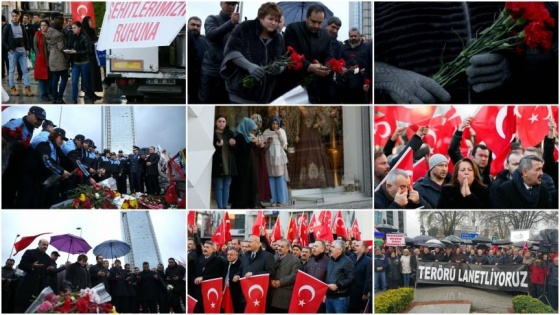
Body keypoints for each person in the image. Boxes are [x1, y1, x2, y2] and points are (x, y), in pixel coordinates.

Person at [374, 2, 558, 104]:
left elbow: (550, 31)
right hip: (413, 108)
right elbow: (362, 57)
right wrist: (387, 78)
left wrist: (516, 63)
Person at [221, 2, 285, 103]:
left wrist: (279, 69)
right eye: (271, 19)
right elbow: (231, 50)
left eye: (277, 21)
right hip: (240, 91)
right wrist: (249, 66)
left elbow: (283, 60)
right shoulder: (244, 28)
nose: (274, 23)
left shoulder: (279, 38)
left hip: (265, 95)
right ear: (261, 17)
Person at [283, 4, 334, 103]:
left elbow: (329, 56)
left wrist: (327, 68)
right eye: (313, 22)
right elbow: (291, 54)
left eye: (320, 23)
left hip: (316, 87)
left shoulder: (325, 35)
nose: (316, 26)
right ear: (307, 17)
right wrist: (309, 66)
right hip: (294, 83)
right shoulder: (293, 29)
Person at [199, 1, 239, 103]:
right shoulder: (212, 19)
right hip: (211, 70)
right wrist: (231, 23)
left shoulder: (237, 25)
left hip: (228, 73)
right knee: (206, 101)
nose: (231, 6)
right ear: (221, 4)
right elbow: (212, 34)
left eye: (233, 4)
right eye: (228, 3)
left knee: (224, 102)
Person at [290, 106, 334, 189]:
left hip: (314, 135)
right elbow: (297, 122)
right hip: (304, 134)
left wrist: (318, 124)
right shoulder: (300, 108)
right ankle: (304, 182)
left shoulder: (316, 108)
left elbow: (324, 120)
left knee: (314, 154)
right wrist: (297, 134)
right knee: (304, 155)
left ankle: (316, 182)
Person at [448, 117, 493, 186]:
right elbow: (453, 150)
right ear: (472, 157)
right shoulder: (465, 167)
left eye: (486, 156)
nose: (483, 159)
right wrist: (460, 129)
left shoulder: (489, 178)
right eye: (480, 155)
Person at [14, 239, 54, 312]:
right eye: (44, 244)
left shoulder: (48, 258)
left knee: (34, 309)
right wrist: (32, 266)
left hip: (39, 288)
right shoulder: (30, 252)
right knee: (22, 308)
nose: (45, 246)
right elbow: (21, 265)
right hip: (27, 286)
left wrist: (48, 270)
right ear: (39, 244)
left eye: (47, 245)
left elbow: (46, 273)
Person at [3, 9, 34, 97]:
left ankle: (27, 88)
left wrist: (27, 49)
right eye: (13, 16)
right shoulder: (8, 26)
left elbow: (26, 39)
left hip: (22, 51)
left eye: (16, 16)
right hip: (13, 51)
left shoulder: (22, 26)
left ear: (19, 16)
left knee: (25, 70)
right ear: (11, 16)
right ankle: (12, 88)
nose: (14, 17)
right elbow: (3, 39)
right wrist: (9, 48)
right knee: (12, 70)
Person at [230, 117, 259, 208]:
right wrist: (252, 143)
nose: (252, 132)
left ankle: (248, 202)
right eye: (251, 129)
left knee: (248, 184)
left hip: (247, 165)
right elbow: (243, 150)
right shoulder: (240, 136)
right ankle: (241, 203)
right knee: (242, 185)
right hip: (242, 166)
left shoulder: (246, 136)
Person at [212, 115, 237, 209]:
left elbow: (235, 150)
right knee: (218, 187)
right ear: (215, 122)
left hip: (229, 164)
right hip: (218, 164)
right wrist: (217, 146)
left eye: (223, 121)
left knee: (226, 187)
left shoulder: (230, 133)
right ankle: (220, 207)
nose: (221, 123)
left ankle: (224, 207)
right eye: (219, 121)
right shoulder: (212, 134)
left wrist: (233, 144)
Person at [263, 115, 289, 206]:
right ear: (270, 123)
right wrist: (268, 143)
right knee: (271, 178)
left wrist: (279, 135)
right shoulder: (266, 132)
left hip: (279, 157)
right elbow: (263, 146)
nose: (275, 125)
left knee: (280, 178)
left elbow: (284, 144)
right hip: (269, 157)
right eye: (273, 123)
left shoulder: (282, 131)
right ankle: (272, 200)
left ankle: (280, 200)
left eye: (276, 123)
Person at [269, 239, 300, 313]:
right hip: (272, 294)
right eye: (278, 246)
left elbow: (294, 275)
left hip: (284, 294)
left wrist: (280, 282)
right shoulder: (273, 257)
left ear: (288, 248)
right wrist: (271, 280)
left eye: (282, 247)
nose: (279, 248)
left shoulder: (295, 260)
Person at [66, 21, 93, 104]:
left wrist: (76, 52)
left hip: (84, 62)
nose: (73, 29)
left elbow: (89, 50)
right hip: (75, 63)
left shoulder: (84, 37)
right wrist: (68, 50)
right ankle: (74, 99)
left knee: (86, 82)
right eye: (72, 28)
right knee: (74, 82)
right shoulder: (72, 36)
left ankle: (91, 97)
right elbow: (69, 45)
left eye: (75, 28)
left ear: (79, 28)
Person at [325, 240, 354, 313]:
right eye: (331, 246)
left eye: (333, 247)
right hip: (329, 296)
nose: (330, 249)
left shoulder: (347, 262)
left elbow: (351, 278)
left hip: (340, 298)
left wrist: (338, 285)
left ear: (340, 250)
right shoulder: (330, 260)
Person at [250, 114, 272, 207]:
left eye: (259, 123)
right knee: (255, 180)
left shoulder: (259, 133)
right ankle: (254, 202)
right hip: (253, 159)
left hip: (260, 159)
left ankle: (259, 201)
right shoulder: (249, 133)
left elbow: (262, 147)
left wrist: (266, 145)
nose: (258, 124)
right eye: (256, 122)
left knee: (260, 180)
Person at [45, 16, 68, 104]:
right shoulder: (59, 34)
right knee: (64, 78)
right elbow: (61, 47)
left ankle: (54, 97)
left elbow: (48, 47)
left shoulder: (49, 32)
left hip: (52, 57)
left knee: (54, 78)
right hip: (59, 57)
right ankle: (59, 97)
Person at [80, 16, 102, 101]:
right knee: (88, 75)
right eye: (90, 21)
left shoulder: (91, 31)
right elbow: (86, 43)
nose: (92, 22)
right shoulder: (84, 32)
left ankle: (92, 92)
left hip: (93, 56)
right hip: (87, 57)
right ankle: (88, 93)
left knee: (93, 75)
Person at [349, 241, 372, 313]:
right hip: (349, 291)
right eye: (354, 245)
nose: (354, 247)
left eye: (357, 246)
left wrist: (365, 292)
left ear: (363, 248)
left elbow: (368, 277)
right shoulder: (350, 258)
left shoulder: (368, 261)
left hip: (359, 292)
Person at [33, 19, 52, 101]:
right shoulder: (37, 34)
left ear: (48, 26)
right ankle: (43, 93)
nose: (43, 27)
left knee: (49, 76)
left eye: (45, 25)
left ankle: (48, 92)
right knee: (41, 77)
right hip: (41, 58)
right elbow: (35, 46)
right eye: (41, 25)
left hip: (50, 58)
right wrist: (39, 55)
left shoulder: (50, 34)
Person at [223, 248, 243, 313]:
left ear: (236, 255)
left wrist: (231, 281)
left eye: (231, 255)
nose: (229, 256)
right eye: (228, 254)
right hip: (225, 291)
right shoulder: (225, 263)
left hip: (235, 292)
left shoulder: (240, 264)